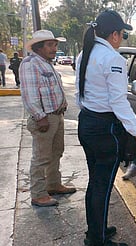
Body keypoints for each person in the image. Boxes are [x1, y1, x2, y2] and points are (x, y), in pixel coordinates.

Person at [75, 10, 136, 246]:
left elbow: (81, 94)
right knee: (103, 186)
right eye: (123, 34)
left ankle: (96, 231)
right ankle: (97, 240)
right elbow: (119, 102)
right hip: (103, 130)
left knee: (95, 182)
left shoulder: (84, 54)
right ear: (115, 35)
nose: (122, 39)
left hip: (87, 122)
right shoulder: (114, 59)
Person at [19, 30, 77, 207]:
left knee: (56, 153)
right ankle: (38, 194)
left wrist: (63, 104)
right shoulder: (30, 64)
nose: (54, 48)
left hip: (56, 116)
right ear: (39, 47)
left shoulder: (46, 63)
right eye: (50, 45)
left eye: (55, 44)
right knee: (41, 157)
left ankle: (53, 184)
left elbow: (54, 88)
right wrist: (40, 117)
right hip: (44, 119)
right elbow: (29, 95)